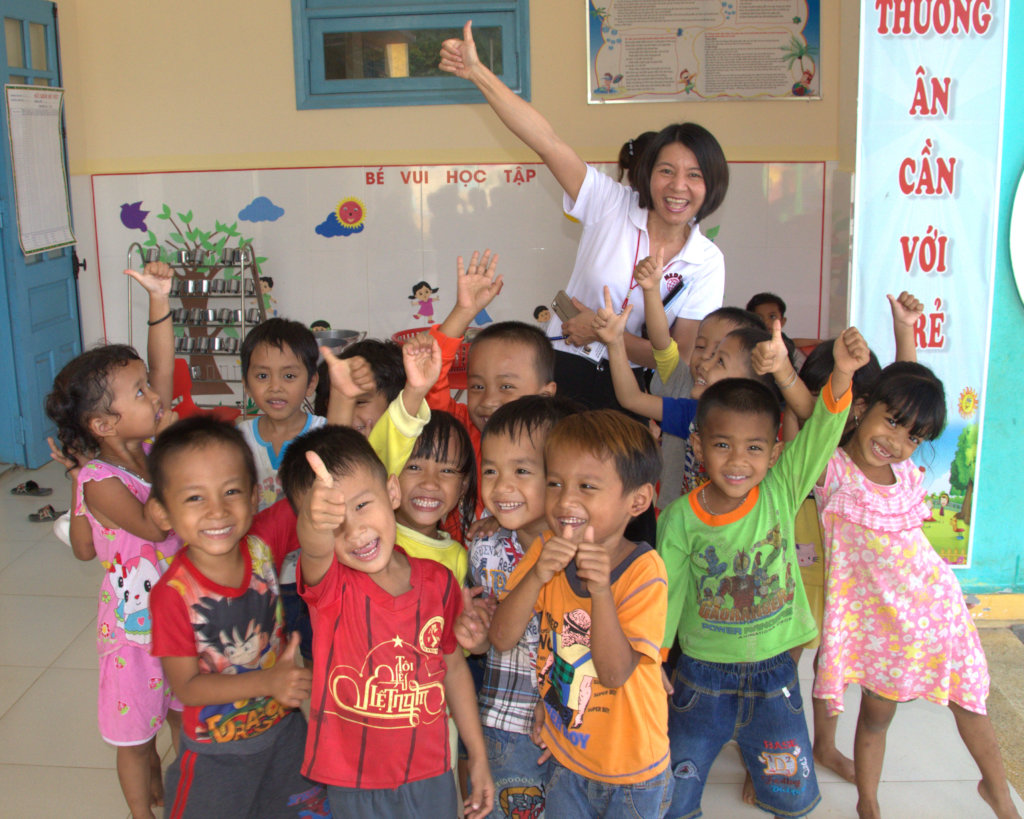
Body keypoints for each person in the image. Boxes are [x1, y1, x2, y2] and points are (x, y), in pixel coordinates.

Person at [440, 21, 729, 410]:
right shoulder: (610, 202)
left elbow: (678, 361)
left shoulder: (707, 262)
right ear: (648, 174)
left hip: (634, 389)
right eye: (667, 171)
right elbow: (546, 141)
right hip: (566, 366)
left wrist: (599, 330)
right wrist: (478, 72)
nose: (678, 187)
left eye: (694, 175)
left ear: (711, 185)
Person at [656, 329, 870, 819]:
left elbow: (820, 434)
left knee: (788, 790)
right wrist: (654, 659)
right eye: (723, 445)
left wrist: (841, 374)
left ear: (773, 454)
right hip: (701, 677)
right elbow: (668, 593)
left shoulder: (781, 489)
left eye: (754, 448)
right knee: (674, 788)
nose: (737, 461)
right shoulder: (679, 519)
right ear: (698, 445)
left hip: (775, 675)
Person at [813, 362, 1019, 819]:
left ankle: (1000, 795)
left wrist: (906, 331)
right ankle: (869, 801)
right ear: (862, 408)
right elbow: (813, 414)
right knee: (876, 717)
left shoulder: (905, 474)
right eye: (890, 422)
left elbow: (910, 384)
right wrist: (815, 372)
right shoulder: (833, 469)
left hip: (937, 608)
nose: (897, 443)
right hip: (882, 627)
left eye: (913, 438)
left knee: (969, 701)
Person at [291, 425, 494, 818]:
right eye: (332, 522)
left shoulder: (439, 583)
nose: (355, 530)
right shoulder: (331, 587)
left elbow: (452, 667)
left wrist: (479, 756)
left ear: (393, 492)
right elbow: (315, 551)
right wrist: (314, 524)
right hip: (354, 779)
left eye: (362, 505)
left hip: (431, 771)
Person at [44, 262, 181, 819]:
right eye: (141, 392)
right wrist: (180, 459)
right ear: (103, 425)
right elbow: (154, 526)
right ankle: (141, 812)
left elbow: (165, 367)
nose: (155, 396)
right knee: (136, 732)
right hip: (132, 633)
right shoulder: (100, 481)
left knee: (179, 709)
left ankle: (179, 792)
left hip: (174, 613)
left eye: (148, 389)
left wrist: (159, 301)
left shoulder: (141, 449)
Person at [489, 411, 671, 818]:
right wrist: (537, 575)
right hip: (566, 756)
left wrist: (601, 591)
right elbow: (500, 637)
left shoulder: (645, 571)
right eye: (555, 483)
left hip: (632, 772)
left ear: (637, 501)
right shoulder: (545, 551)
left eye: (587, 486)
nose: (565, 500)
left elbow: (613, 674)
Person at [147, 417, 325, 818]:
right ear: (162, 513)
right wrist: (269, 681)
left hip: (284, 736)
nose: (217, 510)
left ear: (254, 495)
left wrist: (344, 401)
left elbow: (318, 482)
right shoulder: (172, 595)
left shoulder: (263, 541)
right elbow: (188, 688)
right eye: (195, 498)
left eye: (231, 491)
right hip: (217, 755)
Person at [455, 395, 580, 818]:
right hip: (507, 721)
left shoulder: (589, 551)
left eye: (522, 471)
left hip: (580, 727)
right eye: (490, 470)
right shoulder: (485, 549)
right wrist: (472, 636)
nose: (501, 486)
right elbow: (485, 639)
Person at [427, 249, 556, 522]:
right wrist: (463, 312)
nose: (488, 401)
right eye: (476, 386)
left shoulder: (561, 445)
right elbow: (428, 380)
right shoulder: (461, 430)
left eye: (506, 387)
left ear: (546, 395)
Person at [394, 410, 478, 584]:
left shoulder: (458, 558)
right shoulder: (375, 536)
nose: (430, 483)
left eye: (447, 471)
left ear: (463, 486)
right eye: (414, 467)